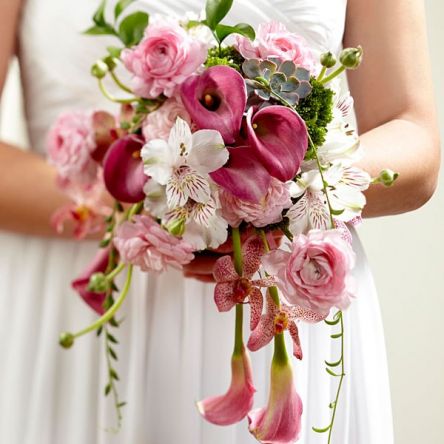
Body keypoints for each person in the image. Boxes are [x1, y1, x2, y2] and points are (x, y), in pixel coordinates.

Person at [0, 0, 440, 443]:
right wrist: (158, 202)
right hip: (82, 304)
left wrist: (278, 195)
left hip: (286, 283)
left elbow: (415, 135)